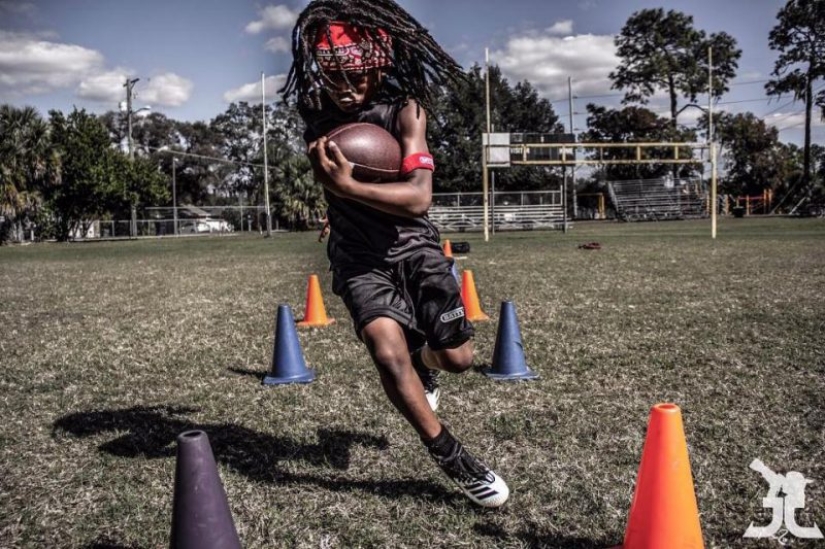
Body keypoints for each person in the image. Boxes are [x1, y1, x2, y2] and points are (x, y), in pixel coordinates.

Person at [280, 0, 509, 508]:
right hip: (358, 257)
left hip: (416, 249)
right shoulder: (315, 110)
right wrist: (337, 194)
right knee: (386, 351)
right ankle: (453, 458)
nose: (345, 87)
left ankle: (425, 361)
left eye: (356, 75)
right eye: (333, 74)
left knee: (459, 359)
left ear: (380, 65)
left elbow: (419, 197)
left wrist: (347, 188)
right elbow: (331, 173)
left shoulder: (406, 110)